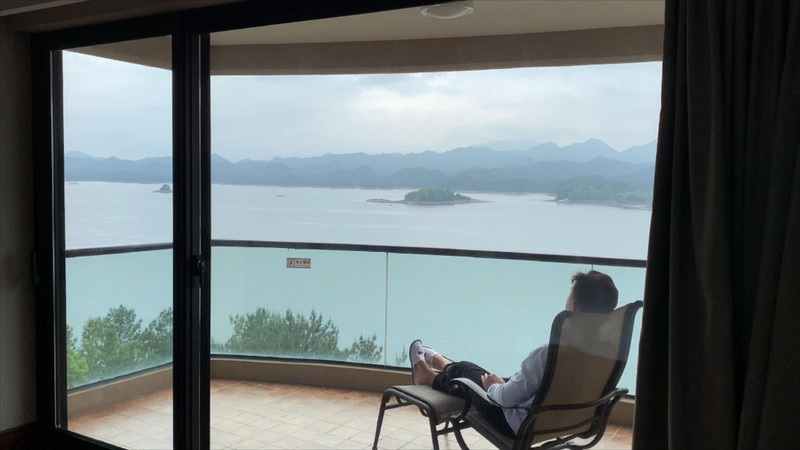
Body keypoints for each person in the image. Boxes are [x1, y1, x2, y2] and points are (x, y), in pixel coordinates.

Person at [409, 270, 619, 437]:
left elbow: (506, 400)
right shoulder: (609, 352)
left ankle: (430, 376)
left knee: (468, 372)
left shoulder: (550, 355)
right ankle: (443, 365)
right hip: (571, 422)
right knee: (483, 375)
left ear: (573, 307)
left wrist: (493, 387)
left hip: (518, 425)